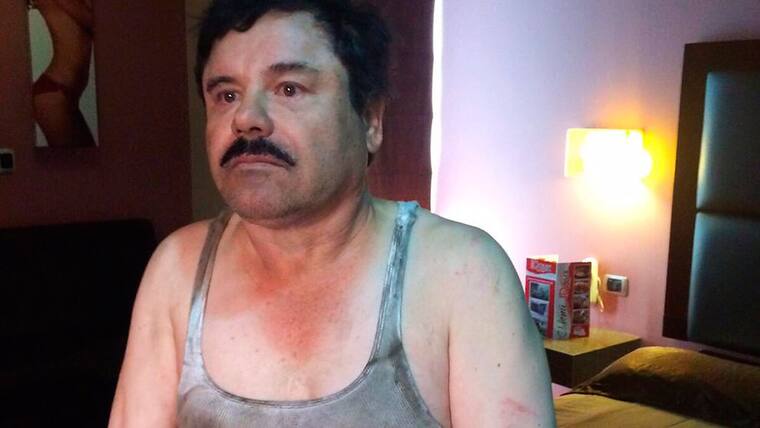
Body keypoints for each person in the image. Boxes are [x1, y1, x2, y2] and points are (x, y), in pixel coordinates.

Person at [109, 0, 554, 426]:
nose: (246, 117)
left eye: (289, 89)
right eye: (227, 95)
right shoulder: (178, 269)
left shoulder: (464, 273)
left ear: (371, 120)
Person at [29, 0, 96, 147]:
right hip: (54, 94)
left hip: (62, 93)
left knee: (85, 157)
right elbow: (93, 22)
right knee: (77, 159)